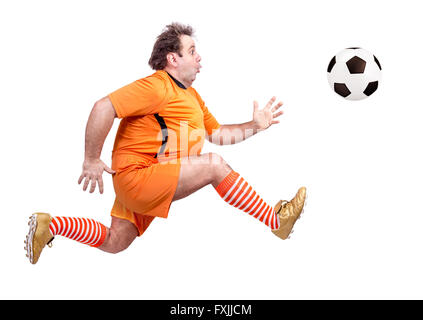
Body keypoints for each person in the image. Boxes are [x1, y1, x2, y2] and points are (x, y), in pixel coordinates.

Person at [25, 23, 307, 264]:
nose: (199, 59)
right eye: (192, 51)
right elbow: (103, 107)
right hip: (139, 177)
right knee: (213, 165)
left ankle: (51, 225)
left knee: (116, 241)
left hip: (146, 180)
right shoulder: (158, 86)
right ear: (173, 58)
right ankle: (276, 221)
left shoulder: (192, 97)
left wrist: (255, 126)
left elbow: (219, 134)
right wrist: (91, 159)